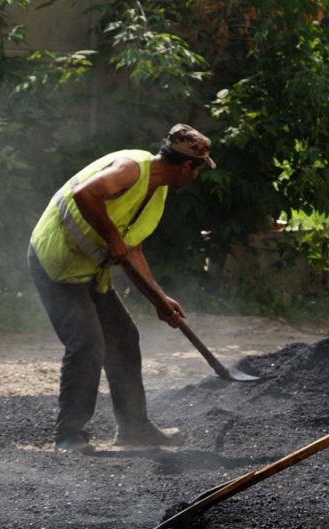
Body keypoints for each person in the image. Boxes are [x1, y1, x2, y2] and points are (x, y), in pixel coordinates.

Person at [27, 124, 216, 454]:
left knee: (124, 338)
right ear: (187, 166)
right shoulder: (131, 168)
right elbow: (84, 194)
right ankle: (68, 436)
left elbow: (132, 250)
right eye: (199, 169)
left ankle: (134, 428)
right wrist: (113, 239)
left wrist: (158, 298)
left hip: (89, 270)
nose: (197, 177)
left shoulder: (156, 192)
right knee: (87, 343)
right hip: (56, 264)